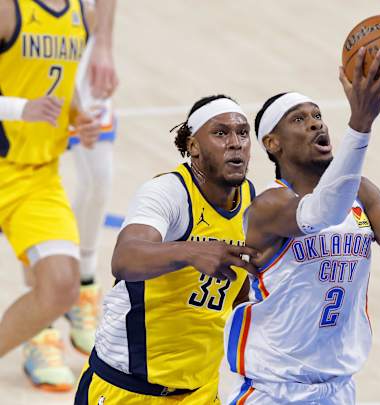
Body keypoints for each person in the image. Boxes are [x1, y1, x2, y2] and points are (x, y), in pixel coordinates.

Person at [224, 47, 380, 404]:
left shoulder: (362, 192)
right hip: (274, 390)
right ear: (273, 144)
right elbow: (323, 213)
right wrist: (361, 124)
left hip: (338, 389)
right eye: (299, 119)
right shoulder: (269, 206)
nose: (316, 123)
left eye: (317, 115)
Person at [74, 94, 259, 404]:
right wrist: (190, 252)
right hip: (128, 389)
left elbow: (238, 292)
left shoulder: (251, 201)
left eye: (243, 133)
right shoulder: (168, 192)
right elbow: (124, 258)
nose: (235, 143)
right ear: (193, 146)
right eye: (220, 133)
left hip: (199, 392)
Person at [0, 0, 103, 391]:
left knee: (61, 286)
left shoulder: (81, 13)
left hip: (37, 176)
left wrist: (79, 116)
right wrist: (20, 109)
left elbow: (59, 81)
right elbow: (27, 99)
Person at [65, 0, 119, 357]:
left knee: (100, 178)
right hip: (24, 35)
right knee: (33, 173)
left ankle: (83, 283)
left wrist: (103, 43)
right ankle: (41, 326)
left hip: (78, 37)